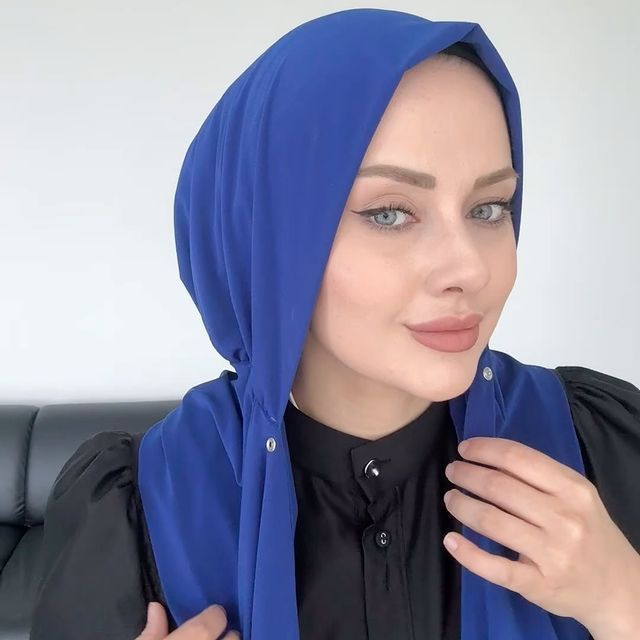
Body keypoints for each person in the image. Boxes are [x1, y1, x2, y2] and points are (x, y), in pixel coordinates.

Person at [29, 9, 640, 640]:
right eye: (390, 213)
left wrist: (625, 600)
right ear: (266, 239)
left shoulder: (596, 447)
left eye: (489, 208)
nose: (469, 269)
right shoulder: (144, 512)